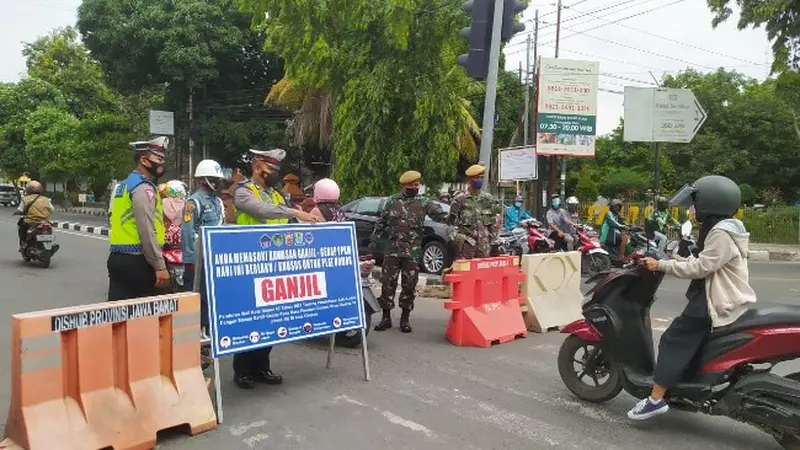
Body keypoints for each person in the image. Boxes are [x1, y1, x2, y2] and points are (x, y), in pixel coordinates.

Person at [628, 175, 756, 420]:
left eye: (695, 203)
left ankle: (655, 399)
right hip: (716, 294)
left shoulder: (721, 233)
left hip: (713, 300)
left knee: (672, 339)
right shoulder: (727, 228)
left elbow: (701, 269)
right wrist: (675, 259)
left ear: (710, 203)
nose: (692, 209)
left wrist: (662, 266)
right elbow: (705, 263)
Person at [231, 148, 321, 390]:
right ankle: (243, 370)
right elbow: (262, 210)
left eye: (278, 171)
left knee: (270, 319)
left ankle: (262, 366)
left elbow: (290, 222)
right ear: (258, 166)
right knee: (250, 319)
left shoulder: (279, 195)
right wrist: (296, 212)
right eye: (272, 169)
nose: (275, 174)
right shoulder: (243, 192)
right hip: (249, 264)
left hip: (277, 266)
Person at [372, 171, 445, 333]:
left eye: (416, 184)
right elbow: (382, 221)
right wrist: (375, 239)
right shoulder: (393, 201)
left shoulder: (423, 202)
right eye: (411, 185)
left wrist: (445, 210)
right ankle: (386, 318)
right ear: (403, 186)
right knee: (387, 283)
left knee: (409, 285)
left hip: (412, 252)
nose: (414, 187)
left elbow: (438, 213)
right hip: (392, 250)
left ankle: (405, 319)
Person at [107, 136, 171, 301]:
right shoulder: (143, 188)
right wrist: (159, 266)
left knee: (119, 317)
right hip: (139, 261)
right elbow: (146, 229)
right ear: (144, 160)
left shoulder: (123, 186)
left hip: (117, 257)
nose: (162, 163)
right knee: (147, 317)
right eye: (158, 159)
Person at [181, 159, 226, 333]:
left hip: (214, 260)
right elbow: (187, 233)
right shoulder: (194, 202)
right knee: (196, 301)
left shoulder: (218, 202)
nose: (218, 183)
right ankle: (193, 338)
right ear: (202, 180)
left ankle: (207, 335)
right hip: (198, 261)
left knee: (211, 299)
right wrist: (191, 260)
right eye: (213, 179)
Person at [447, 164, 502, 260]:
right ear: (470, 179)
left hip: (484, 249)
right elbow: (450, 225)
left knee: (483, 274)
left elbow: (493, 223)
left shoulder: (487, 199)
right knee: (465, 274)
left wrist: (495, 243)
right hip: (466, 249)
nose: (480, 180)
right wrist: (458, 240)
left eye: (482, 178)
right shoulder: (460, 199)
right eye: (477, 178)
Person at [14, 180, 54, 249]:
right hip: (45, 221)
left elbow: (20, 210)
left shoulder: (25, 199)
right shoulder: (46, 199)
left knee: (21, 227)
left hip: (30, 221)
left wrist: (17, 212)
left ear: (28, 189)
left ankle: (23, 242)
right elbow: (52, 209)